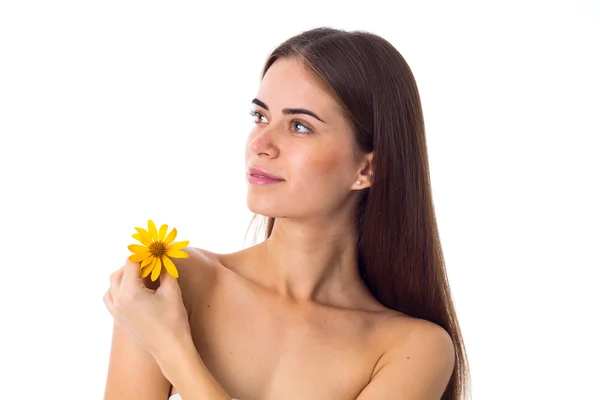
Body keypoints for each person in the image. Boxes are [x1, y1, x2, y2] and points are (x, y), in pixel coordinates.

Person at [103, 27, 470, 400]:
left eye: (299, 126)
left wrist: (171, 348)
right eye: (260, 117)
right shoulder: (168, 284)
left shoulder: (413, 350)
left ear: (366, 170)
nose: (260, 144)